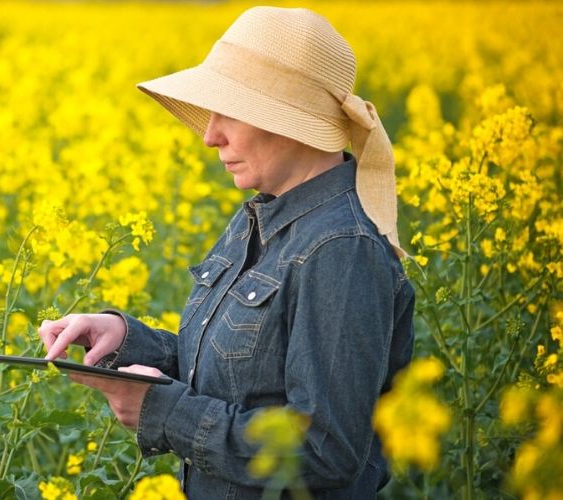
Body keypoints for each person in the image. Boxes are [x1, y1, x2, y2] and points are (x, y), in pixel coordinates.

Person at [38, 6, 415, 499]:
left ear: (290, 120)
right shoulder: (261, 216)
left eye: (228, 112)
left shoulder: (340, 251)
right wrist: (126, 339)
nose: (210, 136)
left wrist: (164, 411)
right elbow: (242, 376)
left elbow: (326, 452)